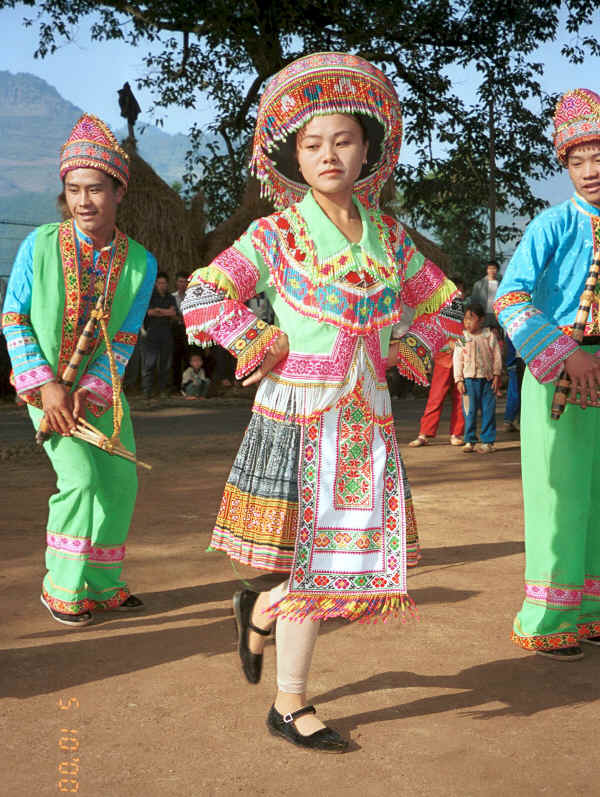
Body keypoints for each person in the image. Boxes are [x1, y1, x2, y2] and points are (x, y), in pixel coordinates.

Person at [182, 52, 461, 751]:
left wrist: (411, 347)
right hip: (296, 417)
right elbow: (203, 294)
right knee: (312, 566)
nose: (328, 154)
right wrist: (260, 337)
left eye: (343, 140)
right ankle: (289, 702)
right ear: (293, 157)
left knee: (336, 568)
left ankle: (262, 608)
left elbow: (445, 306)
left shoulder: (391, 237)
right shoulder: (274, 235)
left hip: (364, 421)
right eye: (312, 144)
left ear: (368, 148)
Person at [1, 114, 157, 626]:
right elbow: (14, 317)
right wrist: (47, 387)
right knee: (82, 479)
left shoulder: (140, 262)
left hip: (100, 391)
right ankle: (61, 585)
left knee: (120, 483)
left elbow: (127, 334)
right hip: (43, 391)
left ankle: (104, 585)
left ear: (118, 192)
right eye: (73, 190)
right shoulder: (40, 245)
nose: (84, 201)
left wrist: (91, 388)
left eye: (95, 189)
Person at [494, 88, 600, 661]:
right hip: (559, 371)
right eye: (577, 160)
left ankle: (593, 609)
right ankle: (548, 619)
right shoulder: (551, 225)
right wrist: (567, 352)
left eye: (598, 156)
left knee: (599, 494)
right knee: (558, 494)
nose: (589, 170)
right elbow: (510, 298)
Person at [409, 278, 465, 447]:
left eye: (459, 290)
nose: (458, 294)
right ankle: (424, 433)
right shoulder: (435, 307)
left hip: (461, 357)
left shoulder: (461, 308)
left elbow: (464, 331)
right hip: (443, 357)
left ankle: (457, 433)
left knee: (460, 395)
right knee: (436, 395)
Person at [453, 302, 502, 453]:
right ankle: (470, 440)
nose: (467, 322)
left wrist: (496, 375)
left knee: (488, 410)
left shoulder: (489, 336)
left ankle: (488, 441)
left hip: (487, 379)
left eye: (471, 319)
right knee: (469, 411)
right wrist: (459, 379)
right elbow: (457, 359)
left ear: (481, 320)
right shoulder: (462, 338)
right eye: (465, 319)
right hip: (469, 381)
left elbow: (497, 356)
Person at [141, 271, 177, 399]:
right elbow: (150, 312)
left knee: (165, 363)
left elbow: (173, 313)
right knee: (149, 362)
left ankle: (163, 390)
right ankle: (147, 391)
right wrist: (164, 311)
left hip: (166, 331)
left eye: (165, 283)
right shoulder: (150, 297)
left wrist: (159, 311)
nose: (162, 285)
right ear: (156, 284)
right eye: (160, 283)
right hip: (152, 331)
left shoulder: (171, 297)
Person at [172, 270, 189, 390]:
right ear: (176, 283)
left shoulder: (191, 297)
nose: (182, 284)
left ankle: (188, 385)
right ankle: (175, 385)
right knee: (176, 358)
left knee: (188, 356)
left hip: (189, 330)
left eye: (185, 282)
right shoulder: (172, 297)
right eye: (180, 281)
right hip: (176, 329)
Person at [502, 335, 524, 431]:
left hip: (516, 362)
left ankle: (510, 420)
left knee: (514, 392)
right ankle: (512, 420)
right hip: (517, 362)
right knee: (516, 393)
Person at [471, 261, 500, 329]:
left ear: (497, 270)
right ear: (486, 270)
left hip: (496, 315)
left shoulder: (501, 285)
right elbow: (474, 301)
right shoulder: (478, 284)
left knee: (496, 336)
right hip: (483, 315)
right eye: (490, 268)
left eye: (494, 268)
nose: (492, 270)